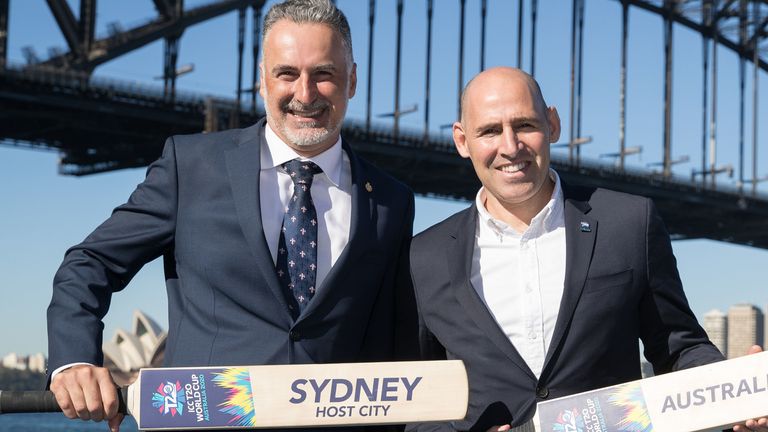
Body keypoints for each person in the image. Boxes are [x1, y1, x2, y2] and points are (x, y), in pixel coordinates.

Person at [46, 1, 417, 431]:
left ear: (351, 80)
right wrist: (74, 359)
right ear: (262, 80)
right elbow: (91, 263)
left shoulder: (392, 201)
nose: (305, 93)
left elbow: (397, 341)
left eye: (324, 74)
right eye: (287, 73)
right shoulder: (192, 167)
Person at [408, 67, 767, 432]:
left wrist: (739, 391)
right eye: (489, 131)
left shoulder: (629, 223)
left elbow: (678, 348)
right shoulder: (426, 257)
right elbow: (416, 404)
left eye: (525, 125)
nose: (510, 146)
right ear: (462, 140)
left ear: (553, 124)